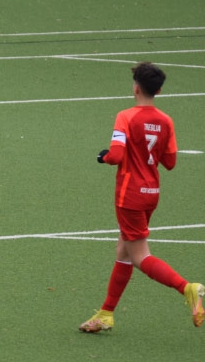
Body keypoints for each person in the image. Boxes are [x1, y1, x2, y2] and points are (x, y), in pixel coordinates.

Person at [79, 62, 203, 333]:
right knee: (123, 250)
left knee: (139, 256)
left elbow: (116, 155)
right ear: (158, 90)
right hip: (151, 193)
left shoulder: (126, 116)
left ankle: (188, 288)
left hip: (129, 195)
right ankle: (106, 314)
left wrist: (103, 157)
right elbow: (170, 162)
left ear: (136, 88)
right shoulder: (166, 120)